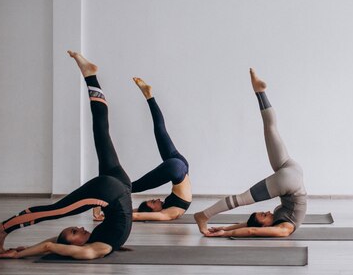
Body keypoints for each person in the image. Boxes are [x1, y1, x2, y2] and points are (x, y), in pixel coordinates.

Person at [0, 51, 132, 260]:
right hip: (110, 192)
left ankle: (90, 76)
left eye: (73, 230)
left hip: (121, 188)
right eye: (75, 232)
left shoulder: (99, 243)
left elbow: (51, 244)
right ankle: (2, 227)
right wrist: (20, 255)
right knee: (56, 210)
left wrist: (22, 252)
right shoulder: (95, 250)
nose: (79, 228)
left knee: (102, 133)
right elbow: (51, 245)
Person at [193, 68, 306, 238]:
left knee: (270, 128)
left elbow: (251, 226)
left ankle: (260, 92)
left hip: (292, 172)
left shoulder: (278, 223)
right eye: (265, 216)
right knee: (241, 199)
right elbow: (253, 230)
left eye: (263, 215)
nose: (267, 212)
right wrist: (223, 234)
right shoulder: (284, 229)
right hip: (289, 181)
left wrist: (224, 230)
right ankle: (203, 215)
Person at [93, 77, 191, 222]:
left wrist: (106, 215)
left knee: (160, 131)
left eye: (152, 201)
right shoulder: (169, 213)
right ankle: (102, 197)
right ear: (154, 211)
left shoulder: (165, 209)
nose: (157, 199)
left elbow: (137, 212)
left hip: (180, 168)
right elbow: (137, 216)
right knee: (129, 187)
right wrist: (107, 216)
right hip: (176, 169)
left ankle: (149, 96)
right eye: (153, 202)